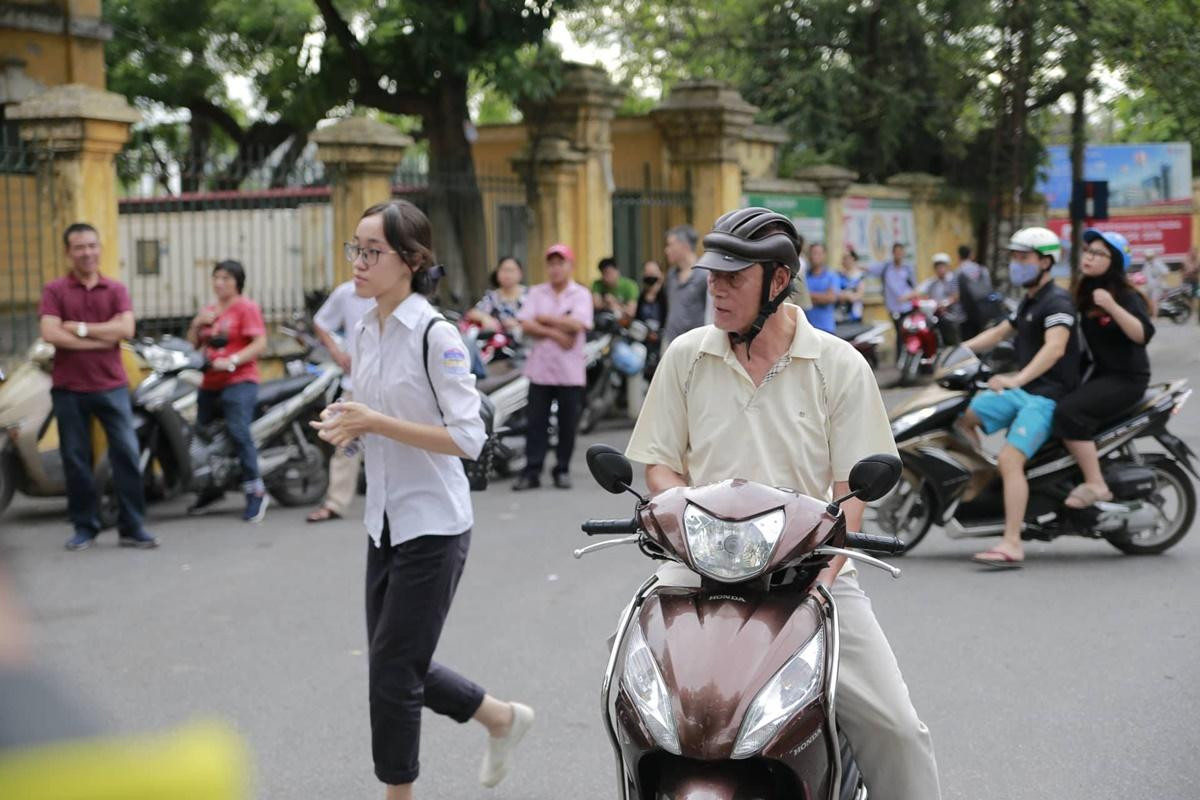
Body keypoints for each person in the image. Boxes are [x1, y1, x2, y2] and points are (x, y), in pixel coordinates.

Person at [627, 207, 941, 800]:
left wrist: (824, 577)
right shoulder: (686, 356)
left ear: (777, 281)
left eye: (732, 278)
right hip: (696, 567)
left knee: (896, 727)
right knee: (634, 698)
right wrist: (683, 517)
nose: (714, 289)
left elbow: (853, 491)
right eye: (712, 277)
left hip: (811, 570)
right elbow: (658, 461)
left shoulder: (838, 364)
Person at [310, 199, 533, 798]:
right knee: (397, 662)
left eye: (371, 251)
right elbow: (378, 415)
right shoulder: (363, 326)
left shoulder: (438, 336)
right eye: (354, 248)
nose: (357, 262)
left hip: (434, 525)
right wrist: (347, 424)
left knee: (391, 674)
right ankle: (501, 719)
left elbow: (467, 437)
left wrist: (374, 422)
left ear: (410, 261)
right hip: (383, 522)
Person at [955, 227, 1081, 568]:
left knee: (1010, 460)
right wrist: (959, 351)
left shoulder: (1058, 302)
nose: (1016, 264)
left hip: (1046, 397)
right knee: (961, 416)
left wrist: (1018, 378)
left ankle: (1012, 542)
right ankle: (982, 474)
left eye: (1023, 258)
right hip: (1023, 391)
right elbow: (1001, 332)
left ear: (1045, 261)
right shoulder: (1031, 299)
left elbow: (1055, 348)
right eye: (1014, 257)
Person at [37, 223, 159, 551]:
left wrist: (78, 330)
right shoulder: (55, 290)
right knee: (76, 460)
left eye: (92, 246)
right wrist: (101, 339)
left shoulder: (115, 289)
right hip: (69, 389)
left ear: (99, 248)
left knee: (127, 456)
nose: (87, 253)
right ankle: (84, 527)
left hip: (111, 386)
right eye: (80, 247)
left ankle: (132, 527)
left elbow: (127, 328)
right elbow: (50, 333)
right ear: (68, 252)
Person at [1054, 230, 1154, 509]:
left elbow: (1142, 334)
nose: (1089, 257)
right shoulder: (1083, 292)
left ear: (1115, 262)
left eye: (1098, 254)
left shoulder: (1125, 295)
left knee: (1069, 412)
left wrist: (1112, 306)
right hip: (1098, 374)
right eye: (1088, 251)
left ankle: (1096, 484)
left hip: (1127, 378)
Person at [186, 260, 270, 523]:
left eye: (226, 278)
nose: (220, 283)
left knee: (238, 432)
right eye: (216, 277)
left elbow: (260, 343)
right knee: (202, 437)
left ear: (238, 282)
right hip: (209, 382)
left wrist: (233, 360)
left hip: (239, 380)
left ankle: (255, 490)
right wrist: (196, 323)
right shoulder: (209, 310)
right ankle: (212, 489)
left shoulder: (246, 307)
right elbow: (192, 345)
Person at [512, 243, 594, 491]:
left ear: (570, 266)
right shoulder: (537, 292)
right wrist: (557, 333)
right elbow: (525, 323)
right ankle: (532, 471)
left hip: (569, 372)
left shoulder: (581, 294)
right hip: (540, 369)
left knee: (568, 424)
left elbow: (578, 325)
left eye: (561, 263)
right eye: (552, 263)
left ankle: (562, 469)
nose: (555, 268)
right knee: (536, 423)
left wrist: (545, 320)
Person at [306, 279, 376, 523]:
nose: (360, 263)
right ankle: (335, 502)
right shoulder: (347, 292)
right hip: (355, 384)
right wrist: (336, 352)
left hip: (393, 386)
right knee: (345, 442)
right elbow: (321, 322)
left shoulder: (400, 292)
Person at [661, 225, 709, 348]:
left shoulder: (704, 275)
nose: (667, 250)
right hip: (670, 343)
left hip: (694, 346)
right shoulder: (671, 275)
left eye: (670, 245)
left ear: (684, 246)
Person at [869, 242, 917, 360]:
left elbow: (915, 288)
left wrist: (907, 297)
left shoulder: (908, 269)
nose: (898, 255)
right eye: (896, 252)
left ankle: (909, 356)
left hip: (907, 307)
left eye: (901, 252)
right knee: (899, 333)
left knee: (908, 332)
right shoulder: (886, 268)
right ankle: (900, 359)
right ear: (893, 253)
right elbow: (870, 269)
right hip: (893, 308)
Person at [466, 256, 527, 336]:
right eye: (504, 270)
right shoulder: (493, 297)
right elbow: (472, 313)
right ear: (497, 273)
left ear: (520, 274)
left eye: (511, 270)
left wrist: (519, 323)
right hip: (498, 344)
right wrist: (485, 318)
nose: (508, 275)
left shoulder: (530, 294)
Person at [916, 252, 964, 346]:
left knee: (952, 342)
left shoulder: (953, 279)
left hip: (952, 316)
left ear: (947, 266)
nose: (940, 269)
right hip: (936, 316)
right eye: (937, 266)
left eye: (942, 266)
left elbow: (956, 296)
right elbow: (926, 295)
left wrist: (945, 303)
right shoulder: (933, 283)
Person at [955, 244, 994, 340]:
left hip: (964, 315)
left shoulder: (958, 272)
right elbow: (989, 289)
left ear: (959, 257)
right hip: (982, 312)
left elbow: (956, 294)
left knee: (968, 342)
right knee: (982, 340)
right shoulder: (982, 270)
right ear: (971, 255)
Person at [802, 242, 838, 333]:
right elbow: (799, 299)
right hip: (807, 329)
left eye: (818, 253)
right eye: (812, 253)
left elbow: (831, 298)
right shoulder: (803, 276)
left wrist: (807, 296)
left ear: (824, 255)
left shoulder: (831, 276)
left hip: (826, 329)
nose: (815, 256)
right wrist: (822, 297)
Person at [634, 259, 667, 330]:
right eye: (647, 272)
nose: (650, 275)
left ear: (662, 275)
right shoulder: (642, 297)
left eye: (653, 272)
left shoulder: (668, 296)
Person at [837, 245, 866, 323]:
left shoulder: (859, 276)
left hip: (855, 315)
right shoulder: (838, 275)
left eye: (847, 258)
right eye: (844, 258)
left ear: (853, 258)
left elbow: (859, 295)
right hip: (840, 315)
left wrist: (846, 295)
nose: (845, 261)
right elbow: (835, 293)